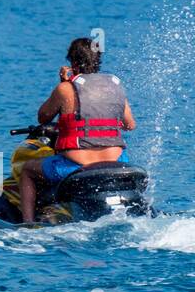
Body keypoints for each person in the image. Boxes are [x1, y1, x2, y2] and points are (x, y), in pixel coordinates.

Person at [19, 37, 135, 223]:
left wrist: (63, 83)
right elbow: (130, 124)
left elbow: (43, 117)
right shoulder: (115, 85)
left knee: (27, 170)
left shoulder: (66, 88)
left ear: (73, 62)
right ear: (97, 60)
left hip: (76, 165)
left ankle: (28, 223)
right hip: (115, 161)